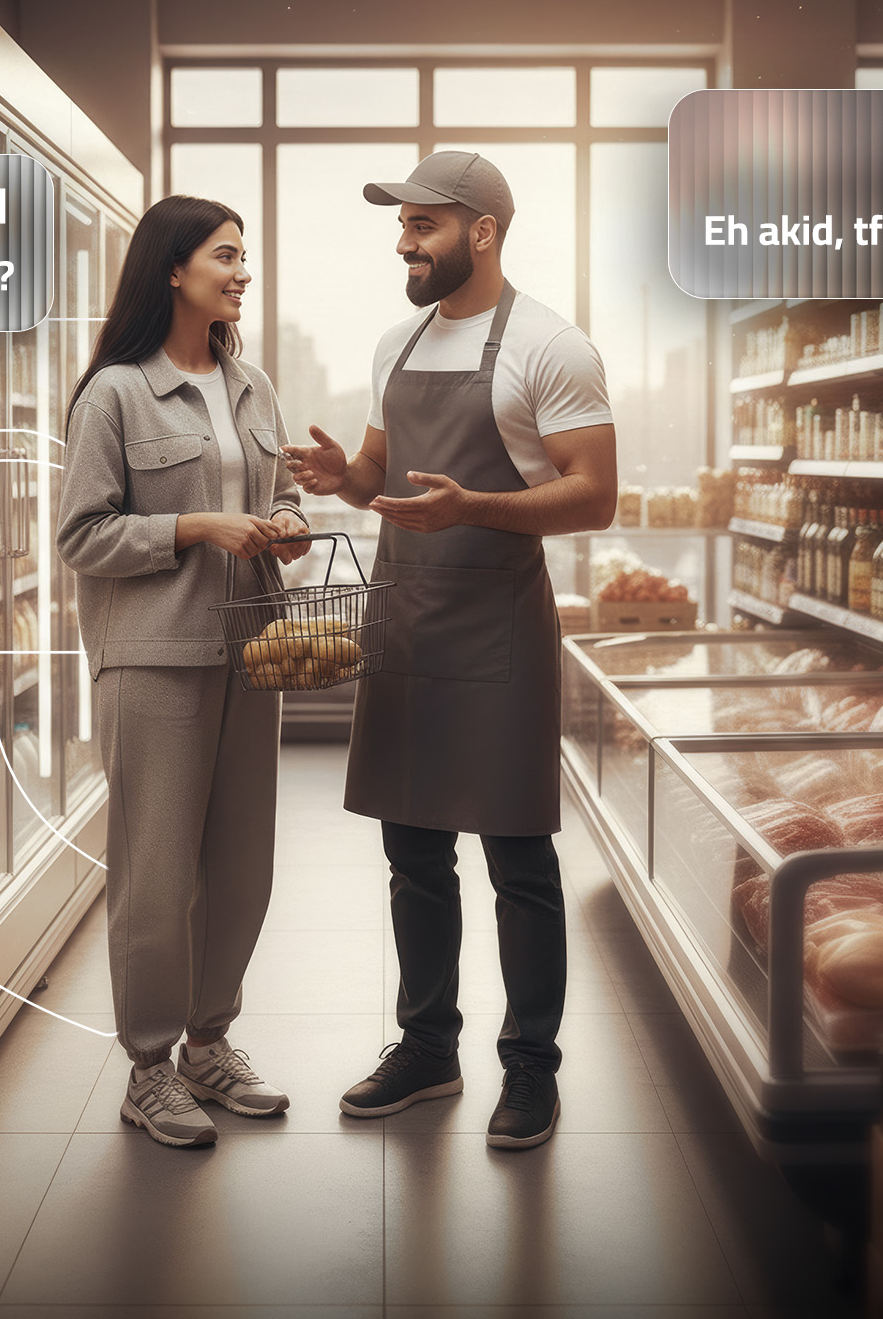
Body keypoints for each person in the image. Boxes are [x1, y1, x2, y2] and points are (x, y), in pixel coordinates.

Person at [284, 151, 617, 1149]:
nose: (404, 242)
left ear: (483, 230)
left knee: (519, 858)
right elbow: (381, 478)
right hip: (407, 622)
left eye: (423, 225)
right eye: (402, 225)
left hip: (498, 630)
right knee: (412, 852)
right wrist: (344, 475)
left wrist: (481, 507)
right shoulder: (397, 341)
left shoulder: (553, 347)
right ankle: (427, 1048)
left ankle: (531, 1071)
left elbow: (595, 494)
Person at [56, 194, 312, 1148]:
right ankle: (150, 1067)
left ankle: (212, 1044)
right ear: (173, 268)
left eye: (246, 256)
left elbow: (277, 492)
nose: (243, 271)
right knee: (156, 873)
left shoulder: (255, 388)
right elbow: (82, 535)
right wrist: (197, 527)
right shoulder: (115, 393)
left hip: (253, 646)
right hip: (154, 656)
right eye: (226, 255)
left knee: (243, 866)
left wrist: (283, 526)